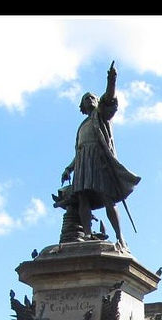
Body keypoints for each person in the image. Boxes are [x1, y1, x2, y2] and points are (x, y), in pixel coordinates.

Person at [61, 61, 141, 253]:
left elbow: (109, 99)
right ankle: (88, 234)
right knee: (83, 199)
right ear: (82, 105)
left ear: (97, 102)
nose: (89, 99)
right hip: (83, 163)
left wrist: (111, 80)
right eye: (85, 98)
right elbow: (79, 151)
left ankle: (120, 237)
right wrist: (69, 168)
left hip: (99, 161)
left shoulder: (101, 116)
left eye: (92, 97)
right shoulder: (82, 126)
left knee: (107, 197)